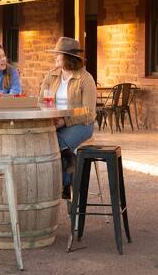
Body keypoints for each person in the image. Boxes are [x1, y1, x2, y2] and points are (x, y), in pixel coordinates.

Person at [39, 37, 97, 199]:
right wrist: (51, 120)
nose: (55, 57)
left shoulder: (86, 79)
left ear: (68, 57)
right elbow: (40, 102)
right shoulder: (51, 76)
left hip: (81, 125)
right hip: (55, 123)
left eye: (59, 54)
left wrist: (65, 120)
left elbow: (88, 112)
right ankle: (68, 171)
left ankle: (62, 183)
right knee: (41, 141)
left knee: (52, 143)